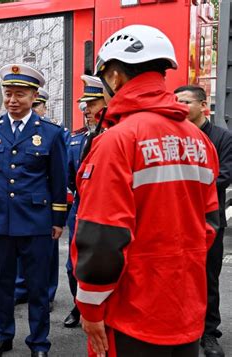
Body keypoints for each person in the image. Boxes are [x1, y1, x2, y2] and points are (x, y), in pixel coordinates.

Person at [71, 25, 220, 357]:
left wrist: (91, 308)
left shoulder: (117, 141)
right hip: (185, 310)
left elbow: (102, 237)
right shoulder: (199, 140)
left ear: (114, 76)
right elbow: (210, 225)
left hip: (131, 315)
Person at [0, 63, 67, 357]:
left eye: (20, 95)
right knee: (3, 283)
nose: (13, 100)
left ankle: (39, 342)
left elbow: (58, 178)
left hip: (36, 221)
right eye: (8, 94)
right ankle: (3, 335)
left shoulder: (50, 133)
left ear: (34, 96)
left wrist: (58, 219)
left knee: (37, 287)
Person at [174, 85, 232, 357]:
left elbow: (224, 175)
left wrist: (184, 189)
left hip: (208, 220)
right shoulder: (172, 136)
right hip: (175, 219)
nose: (179, 105)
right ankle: (178, 327)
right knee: (175, 276)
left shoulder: (222, 138)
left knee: (208, 277)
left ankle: (209, 333)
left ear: (202, 106)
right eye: (175, 100)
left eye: (185, 101)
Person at [14, 87, 62, 312]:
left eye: (37, 106)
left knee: (47, 256)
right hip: (22, 204)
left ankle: (48, 293)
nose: (33, 110)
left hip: (43, 205)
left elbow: (58, 175)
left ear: (43, 107)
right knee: (21, 254)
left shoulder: (54, 132)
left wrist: (57, 213)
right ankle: (22, 288)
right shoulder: (17, 131)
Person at [64, 74, 105, 329]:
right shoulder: (77, 139)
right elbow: (70, 177)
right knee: (73, 266)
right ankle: (78, 306)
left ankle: (103, 311)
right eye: (85, 104)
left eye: (92, 103)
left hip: (106, 211)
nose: (86, 110)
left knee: (103, 264)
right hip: (80, 209)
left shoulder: (117, 136)